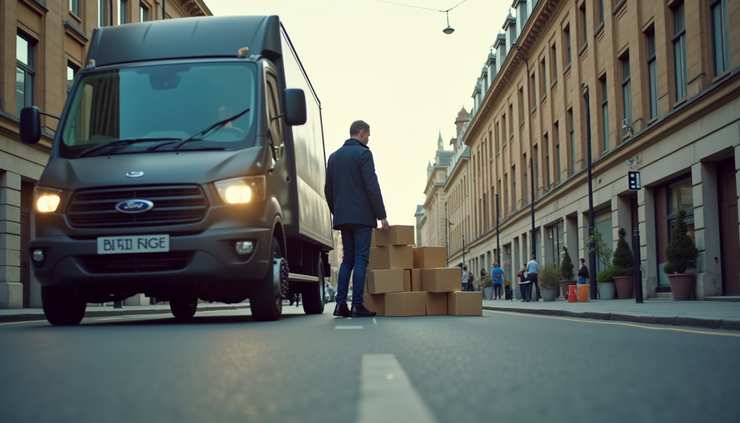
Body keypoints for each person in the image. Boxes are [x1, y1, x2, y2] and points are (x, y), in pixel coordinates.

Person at [325, 120, 389, 318]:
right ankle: (357, 305)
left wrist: (337, 211)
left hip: (343, 217)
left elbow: (328, 189)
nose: (368, 139)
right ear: (362, 133)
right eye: (368, 135)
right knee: (361, 259)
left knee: (347, 260)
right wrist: (382, 216)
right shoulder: (364, 153)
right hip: (361, 217)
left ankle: (340, 304)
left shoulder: (334, 157)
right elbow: (372, 186)